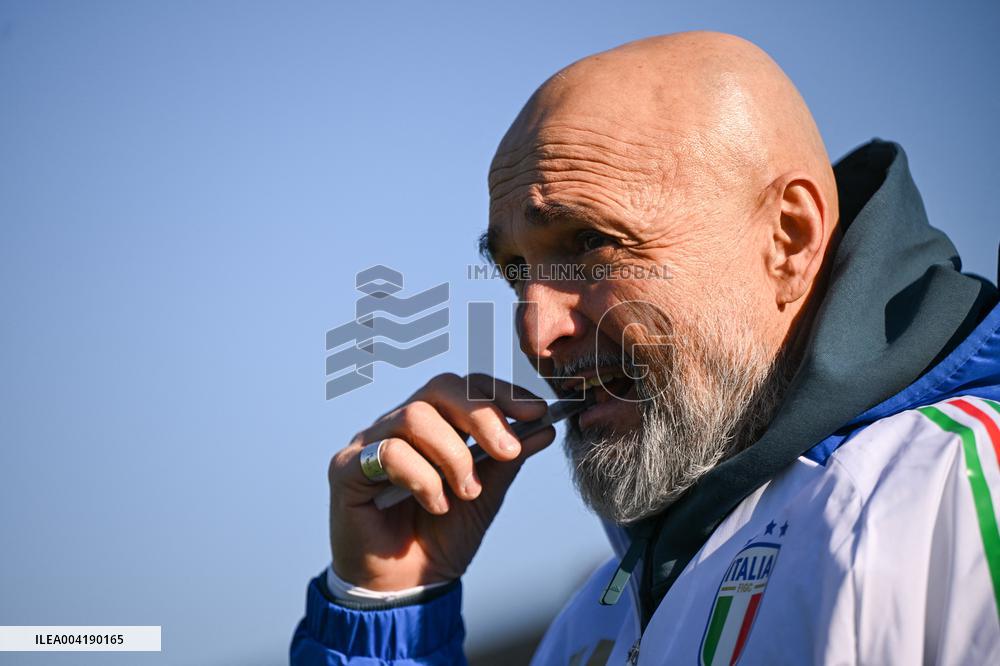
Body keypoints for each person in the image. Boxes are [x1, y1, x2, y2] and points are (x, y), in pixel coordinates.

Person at [291, 31, 1000, 664]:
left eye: (591, 245)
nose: (538, 337)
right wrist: (387, 608)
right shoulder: (598, 618)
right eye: (516, 274)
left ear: (789, 239)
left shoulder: (961, 500)